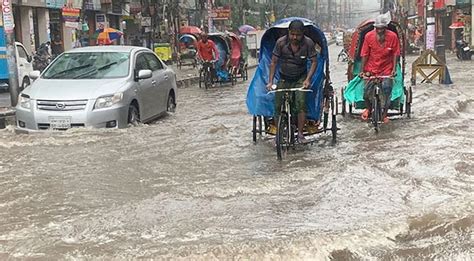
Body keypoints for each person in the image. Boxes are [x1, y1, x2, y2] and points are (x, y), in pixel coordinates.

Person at [266, 19, 318, 143]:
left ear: (302, 34)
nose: (294, 37)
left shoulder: (308, 43)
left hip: (300, 78)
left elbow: (314, 62)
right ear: (288, 33)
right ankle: (279, 133)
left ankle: (300, 134)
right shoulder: (281, 43)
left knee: (301, 103)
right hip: (284, 77)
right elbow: (273, 62)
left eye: (298, 35)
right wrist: (270, 81)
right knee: (278, 104)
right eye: (292, 34)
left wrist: (307, 79)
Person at [359, 14, 400, 123]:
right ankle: (369, 108)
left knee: (387, 90)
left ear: (385, 28)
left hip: (386, 68)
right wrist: (362, 70)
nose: (380, 31)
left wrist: (394, 70)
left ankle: (384, 114)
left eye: (382, 29)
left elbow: (395, 53)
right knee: (366, 93)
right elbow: (365, 54)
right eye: (378, 29)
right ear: (375, 28)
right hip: (371, 68)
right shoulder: (368, 36)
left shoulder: (393, 37)